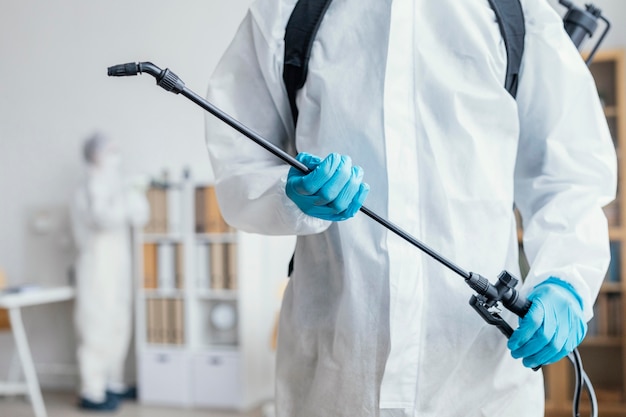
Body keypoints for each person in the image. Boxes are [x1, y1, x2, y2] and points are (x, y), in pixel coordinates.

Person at [204, 1, 617, 416]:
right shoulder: (286, 11)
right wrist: (288, 191)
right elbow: (239, 160)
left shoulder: (520, 13)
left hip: (478, 386)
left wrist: (565, 280)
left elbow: (569, 175)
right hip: (334, 380)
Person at [70, 133, 149, 411]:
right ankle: (92, 390)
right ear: (95, 154)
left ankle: (112, 383)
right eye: (110, 150)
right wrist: (124, 195)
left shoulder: (116, 184)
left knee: (119, 319)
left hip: (118, 263)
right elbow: (104, 218)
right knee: (96, 323)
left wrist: (131, 192)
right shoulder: (91, 184)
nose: (116, 155)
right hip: (96, 264)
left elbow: (140, 215)